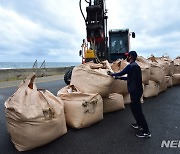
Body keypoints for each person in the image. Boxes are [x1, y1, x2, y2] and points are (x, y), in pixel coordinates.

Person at [107, 51, 151, 138]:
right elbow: (128, 77)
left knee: (138, 110)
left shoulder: (131, 66)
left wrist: (113, 74)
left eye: (128, 56)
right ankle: (138, 124)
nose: (126, 57)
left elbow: (121, 72)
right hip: (136, 91)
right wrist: (118, 77)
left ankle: (146, 131)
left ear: (130, 57)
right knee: (133, 107)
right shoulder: (135, 66)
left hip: (135, 91)